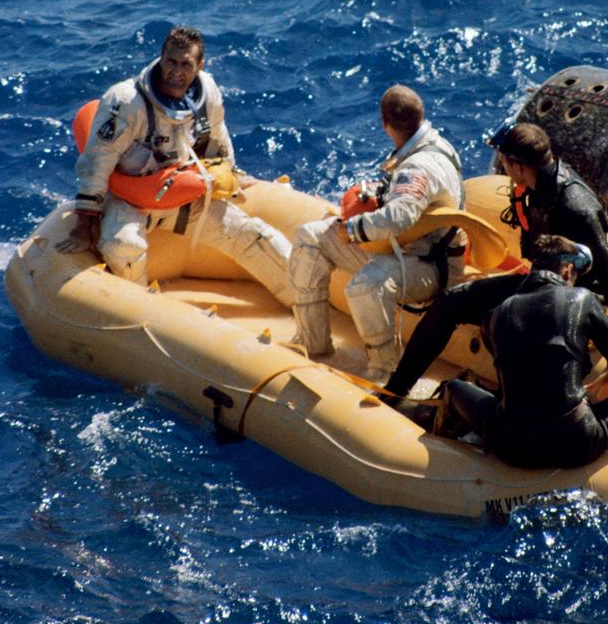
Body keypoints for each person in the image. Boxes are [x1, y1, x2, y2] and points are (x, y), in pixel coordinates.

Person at [380, 120, 608, 400]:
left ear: (520, 166)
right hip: (542, 283)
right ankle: (396, 389)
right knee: (451, 301)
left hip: (575, 300)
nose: (502, 166)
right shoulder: (533, 187)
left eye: (504, 161)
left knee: (503, 323)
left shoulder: (576, 206)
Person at [56, 25, 295, 305]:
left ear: (199, 66)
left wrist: (230, 177)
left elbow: (216, 139)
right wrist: (84, 225)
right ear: (161, 58)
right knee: (123, 246)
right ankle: (140, 312)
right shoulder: (126, 102)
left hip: (180, 194)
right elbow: (97, 162)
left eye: (186, 64)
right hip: (127, 200)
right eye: (171, 61)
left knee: (257, 237)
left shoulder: (206, 95)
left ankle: (303, 303)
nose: (176, 71)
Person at [430, 235, 608, 468]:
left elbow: (514, 381)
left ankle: (449, 456)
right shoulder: (583, 299)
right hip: (576, 441)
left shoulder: (496, 315)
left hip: (512, 445)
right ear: (568, 271)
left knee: (453, 388)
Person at [289, 85, 465, 378]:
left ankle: (385, 371)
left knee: (366, 285)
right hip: (412, 251)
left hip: (431, 266)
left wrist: (354, 229)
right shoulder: (436, 145)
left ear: (385, 123)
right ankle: (313, 345)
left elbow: (400, 216)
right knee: (312, 237)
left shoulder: (418, 166)